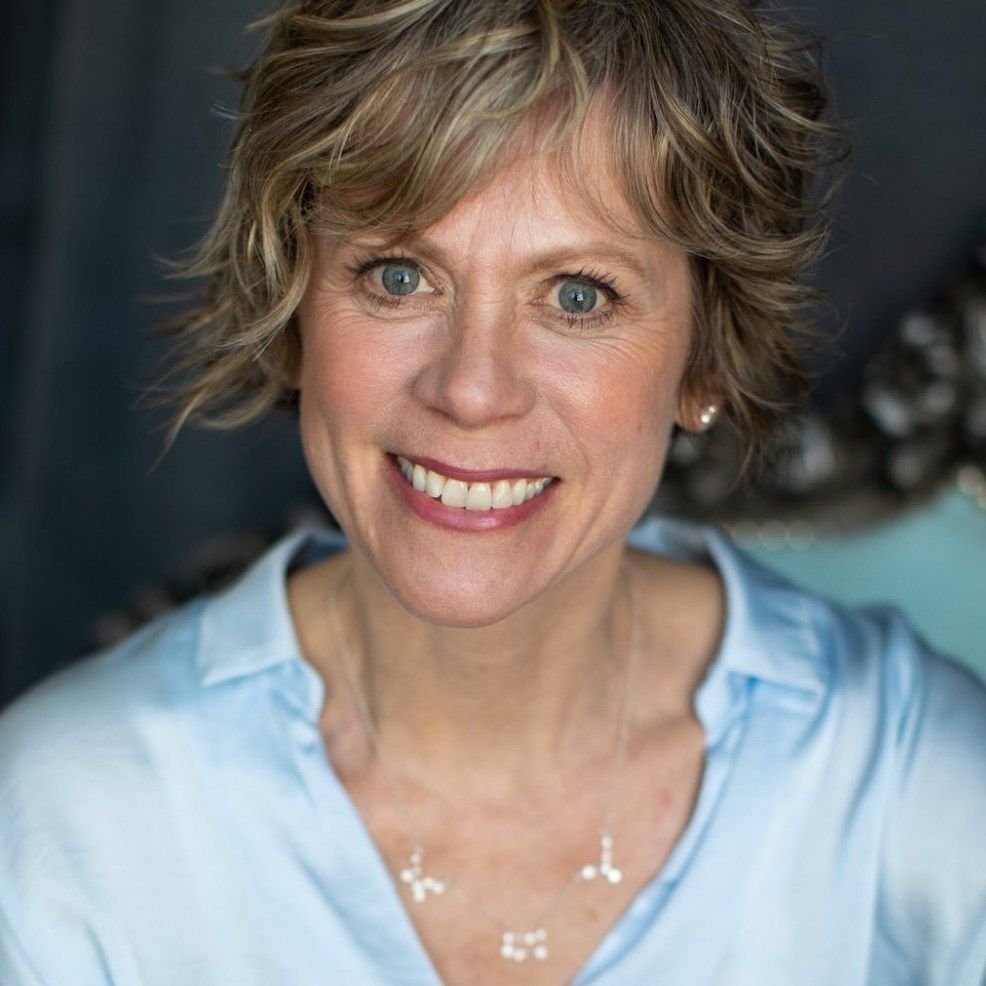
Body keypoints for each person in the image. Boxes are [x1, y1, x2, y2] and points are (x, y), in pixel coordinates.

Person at [2, 0, 985, 983]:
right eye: (399, 276)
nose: (471, 389)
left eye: (577, 296)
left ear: (705, 363)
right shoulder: (64, 829)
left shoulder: (906, 788)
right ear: (292, 312)